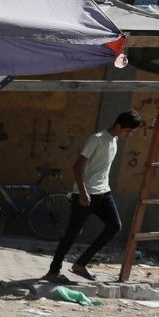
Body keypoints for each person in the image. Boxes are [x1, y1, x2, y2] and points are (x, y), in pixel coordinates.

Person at [48, 110, 144, 281]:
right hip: (85, 194)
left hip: (103, 192)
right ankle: (53, 271)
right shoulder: (97, 139)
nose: (129, 135)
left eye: (131, 132)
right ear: (118, 126)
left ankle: (81, 264)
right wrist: (83, 192)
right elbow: (77, 166)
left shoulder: (114, 140)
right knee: (73, 233)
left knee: (115, 226)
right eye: (127, 131)